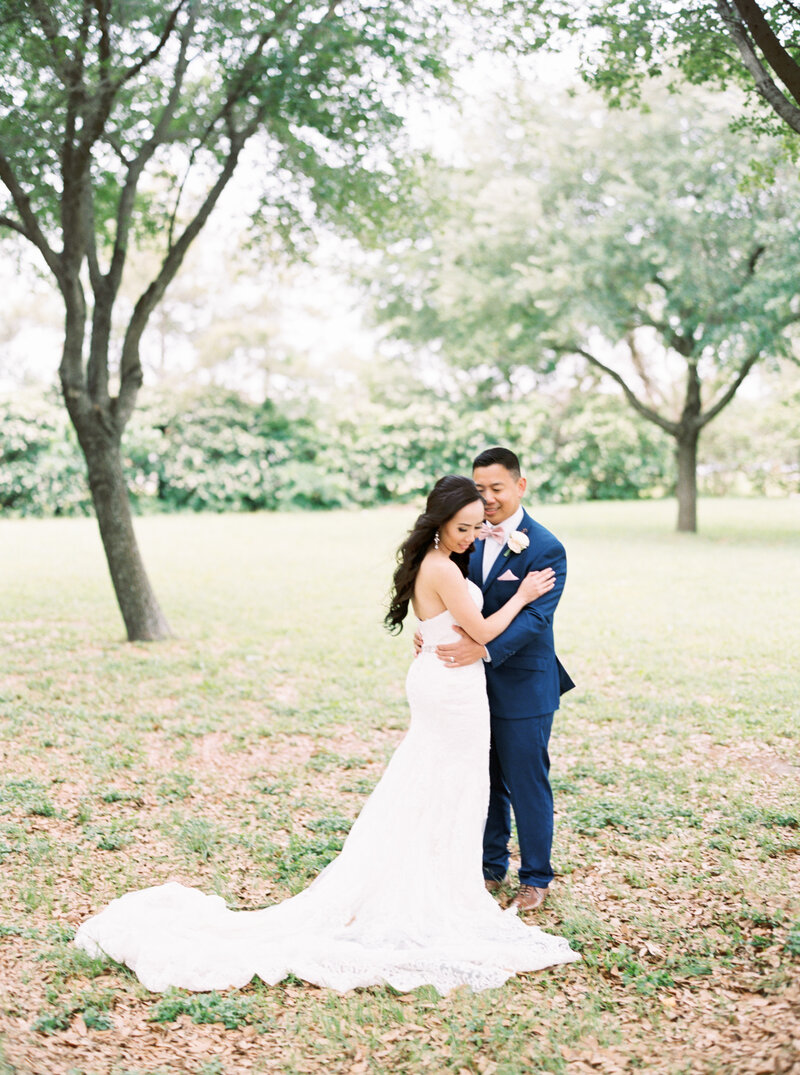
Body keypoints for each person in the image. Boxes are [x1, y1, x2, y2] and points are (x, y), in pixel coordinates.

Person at [74, 475, 579, 995]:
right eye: (463, 527)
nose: (473, 536)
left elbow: (447, 619)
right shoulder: (442, 566)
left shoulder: (442, 560)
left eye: (477, 527)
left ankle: (449, 876)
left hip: (445, 679)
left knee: (442, 782)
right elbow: (486, 631)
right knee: (449, 780)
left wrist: (437, 633)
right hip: (452, 690)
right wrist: (520, 595)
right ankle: (435, 890)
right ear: (439, 524)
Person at [417, 448, 574, 913]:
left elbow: (536, 619)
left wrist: (482, 648)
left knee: (526, 782)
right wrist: (430, 628)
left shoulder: (545, 547)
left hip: (524, 684)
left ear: (520, 486)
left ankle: (536, 877)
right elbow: (449, 593)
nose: (486, 499)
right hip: (466, 686)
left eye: (496, 489)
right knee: (482, 779)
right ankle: (488, 868)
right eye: (479, 489)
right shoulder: (464, 537)